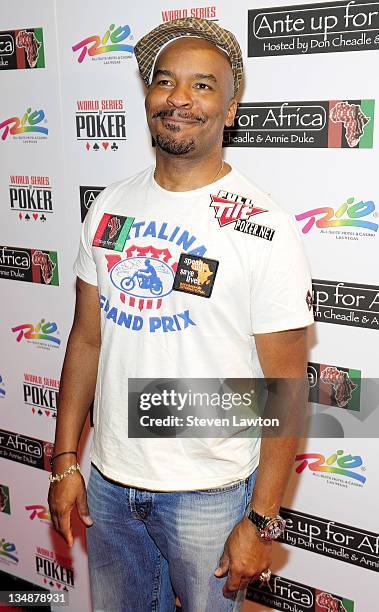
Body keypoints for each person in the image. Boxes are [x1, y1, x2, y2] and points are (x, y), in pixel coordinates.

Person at [48, 18, 314, 612]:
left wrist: (262, 519)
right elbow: (86, 341)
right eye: (166, 82)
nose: (180, 99)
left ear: (231, 106)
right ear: (148, 96)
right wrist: (66, 459)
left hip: (211, 496)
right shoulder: (109, 207)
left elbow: (287, 389)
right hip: (110, 487)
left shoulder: (264, 227)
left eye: (202, 85)